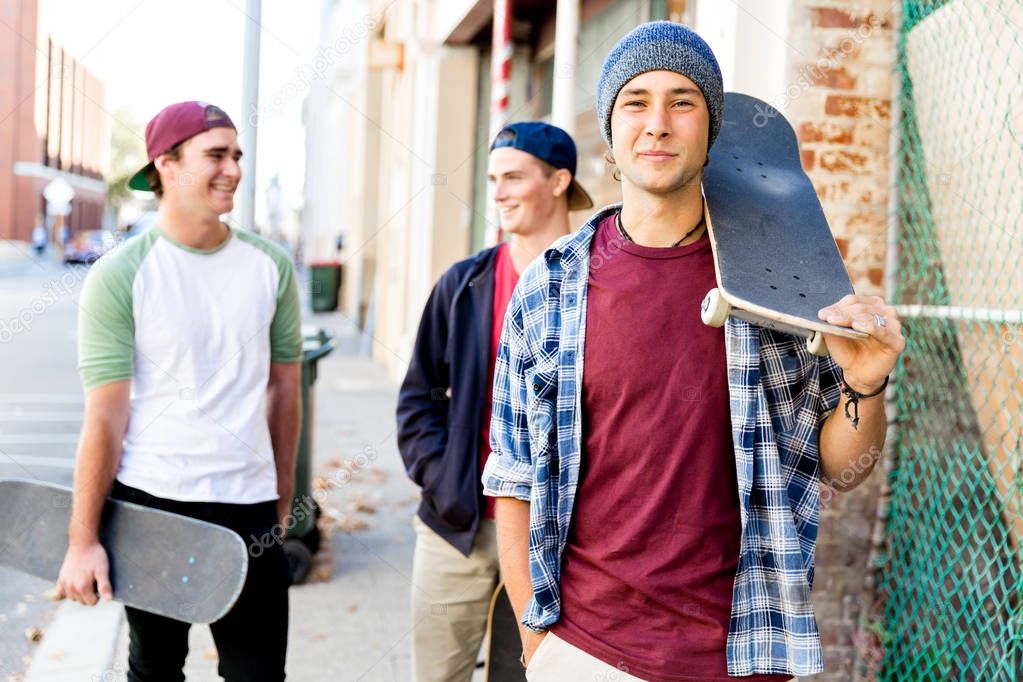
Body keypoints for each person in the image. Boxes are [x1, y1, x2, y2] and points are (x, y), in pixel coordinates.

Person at [483, 21, 907, 682]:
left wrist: (866, 385)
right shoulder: (549, 289)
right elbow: (512, 479)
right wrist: (537, 643)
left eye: (682, 102)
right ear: (609, 127)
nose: (657, 123)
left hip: (743, 654)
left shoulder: (777, 284)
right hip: (587, 650)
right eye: (636, 102)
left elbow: (844, 472)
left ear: (710, 128)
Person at [56, 101, 302, 682]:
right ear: (165, 164)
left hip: (250, 509)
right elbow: (106, 417)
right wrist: (82, 539)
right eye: (215, 155)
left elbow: (285, 389)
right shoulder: (121, 274)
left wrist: (284, 493)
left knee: (260, 675)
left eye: (237, 155)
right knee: (156, 671)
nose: (234, 169)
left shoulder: (271, 267)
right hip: (154, 505)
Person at [397, 121, 593, 681]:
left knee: (528, 675)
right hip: (457, 524)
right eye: (493, 179)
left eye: (513, 177)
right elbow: (417, 401)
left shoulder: (594, 286)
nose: (499, 192)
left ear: (559, 181)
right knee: (439, 675)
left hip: (556, 537)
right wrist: (444, 477)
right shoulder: (464, 285)